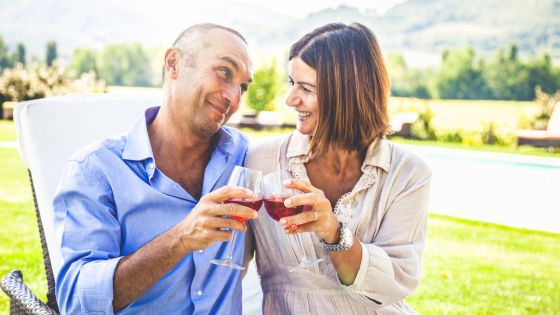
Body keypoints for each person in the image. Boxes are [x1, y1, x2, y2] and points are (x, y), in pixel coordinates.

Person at [53, 23, 256, 314]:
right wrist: (181, 238)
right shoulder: (95, 170)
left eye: (243, 87)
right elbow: (77, 303)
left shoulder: (244, 156)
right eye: (224, 72)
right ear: (173, 64)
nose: (234, 98)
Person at [244, 23, 431, 314]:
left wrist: (334, 232)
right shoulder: (263, 160)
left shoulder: (408, 174)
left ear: (345, 94)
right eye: (291, 83)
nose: (290, 100)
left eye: (305, 88)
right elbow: (228, 266)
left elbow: (397, 282)